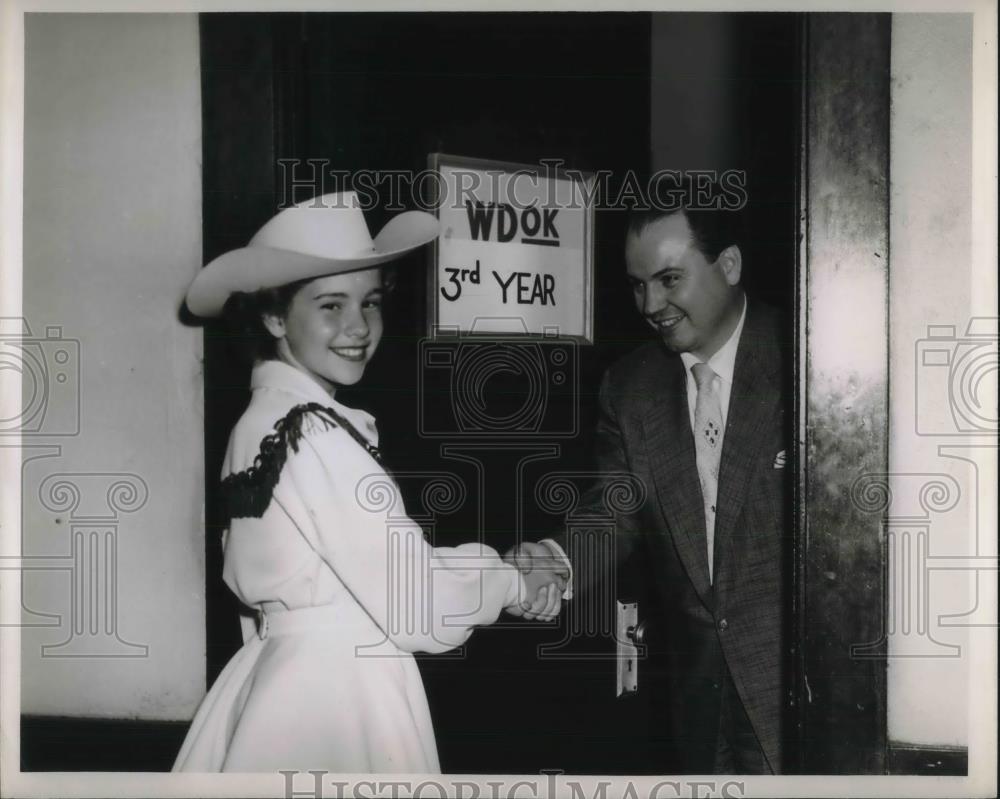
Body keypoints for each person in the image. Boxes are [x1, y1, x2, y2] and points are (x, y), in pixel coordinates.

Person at [174, 191, 565, 773]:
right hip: (340, 695)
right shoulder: (310, 432)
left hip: (280, 681)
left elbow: (363, 573)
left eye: (371, 302)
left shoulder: (260, 422)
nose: (359, 327)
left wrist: (500, 569)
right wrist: (511, 582)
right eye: (332, 305)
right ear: (274, 315)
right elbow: (416, 605)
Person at [509, 189, 790, 774]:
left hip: (799, 696)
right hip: (697, 706)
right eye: (638, 285)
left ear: (729, 265)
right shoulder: (630, 386)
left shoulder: (808, 355)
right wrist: (555, 559)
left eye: (668, 280)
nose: (650, 303)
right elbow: (614, 512)